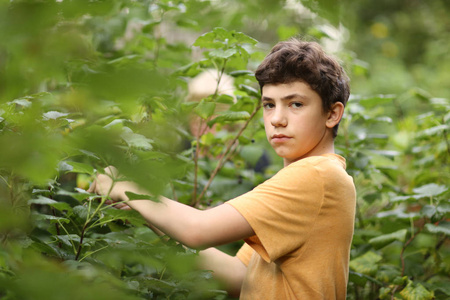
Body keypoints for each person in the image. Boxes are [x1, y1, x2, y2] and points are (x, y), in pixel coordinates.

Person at [88, 38, 356, 299]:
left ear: (332, 114)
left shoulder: (316, 175)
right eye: (269, 105)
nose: (276, 119)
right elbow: (240, 276)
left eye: (295, 104)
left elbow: (197, 230)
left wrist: (123, 187)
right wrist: (147, 211)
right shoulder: (311, 177)